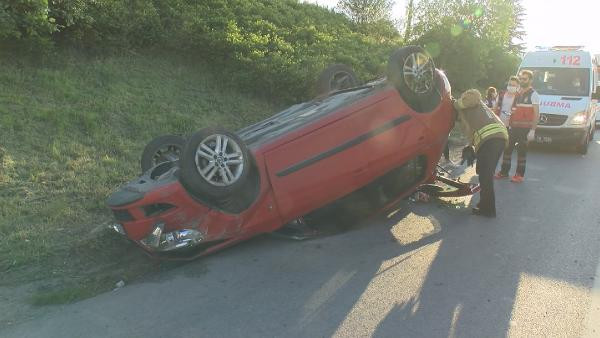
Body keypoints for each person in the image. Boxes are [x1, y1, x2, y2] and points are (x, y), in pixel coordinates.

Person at [453, 89, 508, 217]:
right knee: (484, 173)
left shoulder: (470, 100)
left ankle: (487, 209)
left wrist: (455, 103)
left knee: (485, 175)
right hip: (495, 139)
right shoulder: (469, 113)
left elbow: (475, 95)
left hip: (492, 138)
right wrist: (470, 146)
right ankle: (484, 206)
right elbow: (472, 132)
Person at [494, 70, 540, 183]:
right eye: (521, 78)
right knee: (507, 149)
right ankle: (504, 172)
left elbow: (536, 114)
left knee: (521, 151)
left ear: (530, 80)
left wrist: (533, 130)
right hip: (513, 126)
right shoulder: (518, 93)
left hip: (525, 129)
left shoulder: (534, 94)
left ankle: (519, 175)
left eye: (525, 79)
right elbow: (512, 109)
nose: (522, 80)